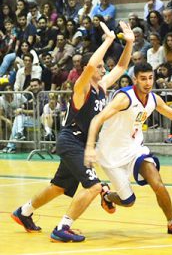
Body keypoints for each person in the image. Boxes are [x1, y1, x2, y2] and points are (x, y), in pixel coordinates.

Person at [11, 21, 135, 243]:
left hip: (79, 144)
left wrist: (130, 43)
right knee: (95, 186)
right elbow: (89, 68)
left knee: (58, 187)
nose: (103, 68)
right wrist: (107, 41)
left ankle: (24, 211)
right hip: (72, 141)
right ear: (89, 67)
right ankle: (62, 228)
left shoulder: (102, 86)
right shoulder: (81, 87)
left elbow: (121, 67)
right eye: (99, 66)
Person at [84, 62, 172, 236]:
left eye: (150, 78)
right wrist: (90, 147)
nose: (148, 83)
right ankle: (106, 195)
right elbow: (97, 119)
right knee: (128, 201)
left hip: (135, 149)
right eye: (143, 79)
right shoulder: (124, 98)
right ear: (135, 79)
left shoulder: (153, 99)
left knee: (157, 183)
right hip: (110, 154)